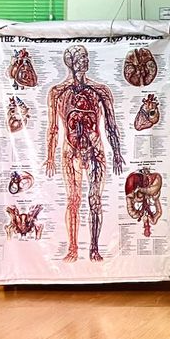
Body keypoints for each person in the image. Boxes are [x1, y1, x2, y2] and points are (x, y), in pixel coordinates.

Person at [44, 45, 125, 262]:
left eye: (86, 57)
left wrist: (117, 152)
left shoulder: (100, 91)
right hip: (70, 151)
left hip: (95, 150)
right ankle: (73, 248)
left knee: (95, 199)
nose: (85, 61)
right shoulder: (57, 93)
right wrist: (50, 156)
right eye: (81, 58)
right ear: (71, 63)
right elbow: (53, 128)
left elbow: (111, 125)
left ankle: (94, 248)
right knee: (73, 199)